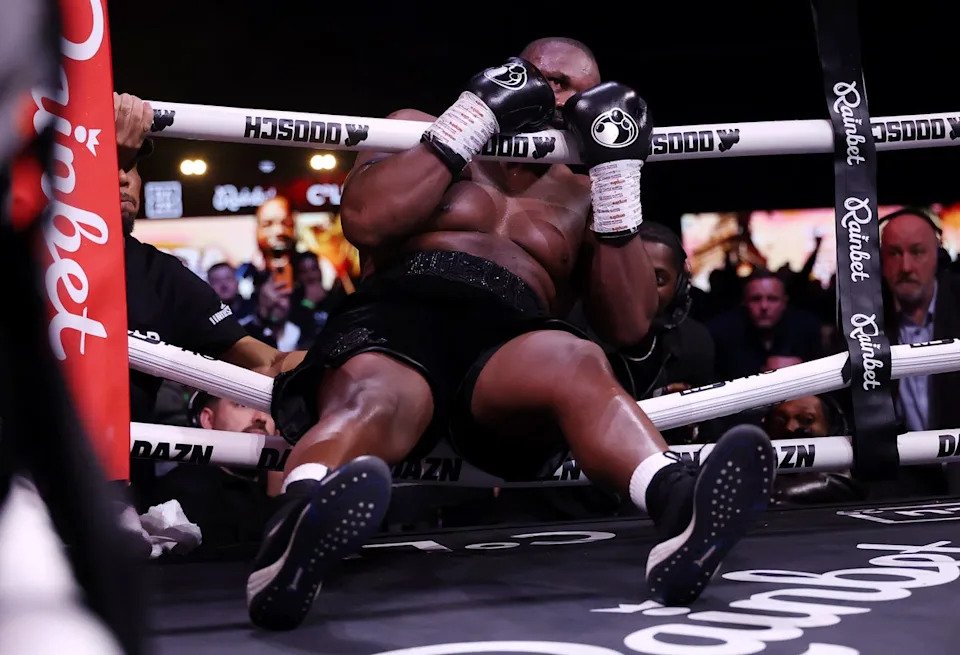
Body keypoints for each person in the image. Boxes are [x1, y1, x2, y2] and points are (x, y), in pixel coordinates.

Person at [250, 37, 775, 630]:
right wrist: (473, 117)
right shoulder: (413, 128)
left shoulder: (581, 191)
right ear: (508, 72)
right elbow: (366, 221)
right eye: (542, 78)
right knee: (376, 397)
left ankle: (681, 507)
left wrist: (617, 177)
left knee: (575, 359)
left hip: (510, 338)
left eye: (575, 90)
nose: (555, 97)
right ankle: (296, 524)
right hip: (401, 312)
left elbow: (628, 326)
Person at [114, 92, 302, 508]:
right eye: (112, 164)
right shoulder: (34, 252)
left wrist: (344, 361)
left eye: (132, 166)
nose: (125, 177)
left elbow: (262, 360)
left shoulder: (159, 275)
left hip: (121, 500)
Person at [879, 206, 960, 497]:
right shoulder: (864, 319)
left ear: (938, 256)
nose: (906, 268)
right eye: (894, 254)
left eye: (917, 252)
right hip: (900, 481)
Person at [143, 391, 282, 556]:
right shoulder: (183, 492)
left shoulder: (288, 487)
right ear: (208, 419)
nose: (261, 417)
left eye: (267, 408)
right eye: (242, 404)